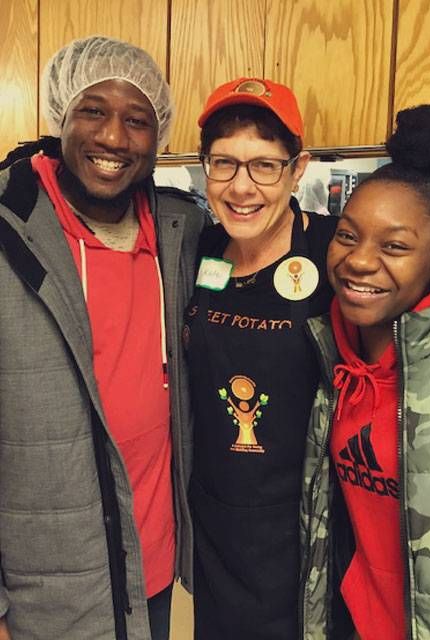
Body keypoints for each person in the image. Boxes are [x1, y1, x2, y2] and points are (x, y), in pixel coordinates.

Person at [0, 36, 208, 640]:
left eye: (137, 120)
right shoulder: (13, 231)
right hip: (48, 590)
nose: (114, 138)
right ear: (60, 114)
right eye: (93, 111)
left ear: (158, 135)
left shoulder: (178, 231)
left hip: (155, 571)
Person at [301, 105, 430, 639]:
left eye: (395, 246)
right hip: (354, 621)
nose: (359, 261)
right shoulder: (332, 351)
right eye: (348, 235)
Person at [182, 77, 337, 639]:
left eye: (264, 165)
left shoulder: (336, 252)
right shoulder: (197, 250)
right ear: (205, 168)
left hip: (307, 533)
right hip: (216, 528)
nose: (241, 186)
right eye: (224, 163)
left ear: (298, 170)